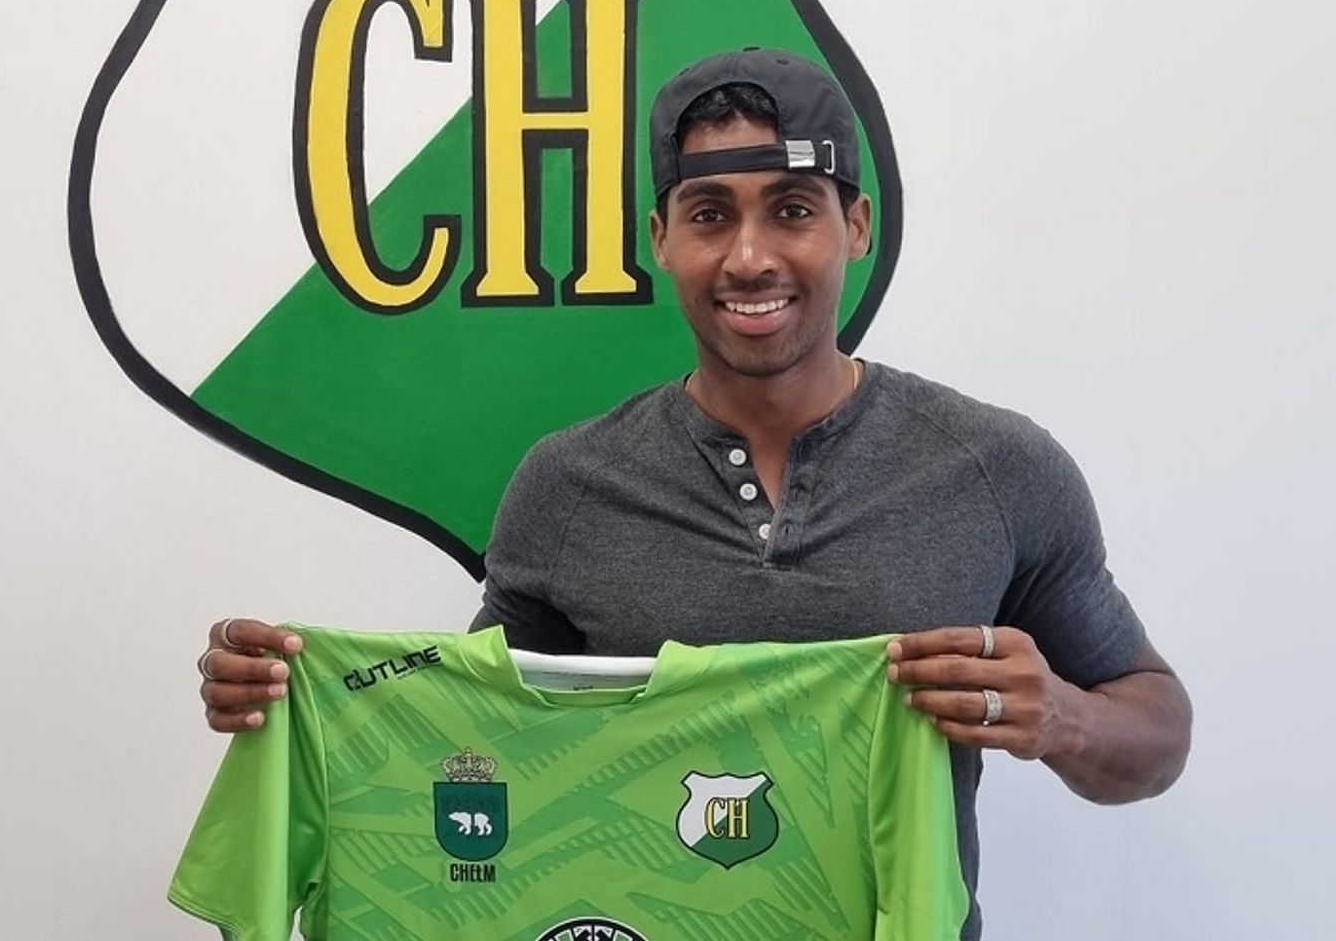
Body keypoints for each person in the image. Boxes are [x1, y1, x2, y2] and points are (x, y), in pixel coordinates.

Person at [192, 48, 1192, 939]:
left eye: (792, 210)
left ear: (855, 225)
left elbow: (1159, 730)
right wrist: (301, 699)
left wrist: (1061, 716)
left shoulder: (998, 468)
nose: (750, 258)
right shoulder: (569, 485)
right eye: (711, 214)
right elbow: (473, 745)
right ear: (661, 236)